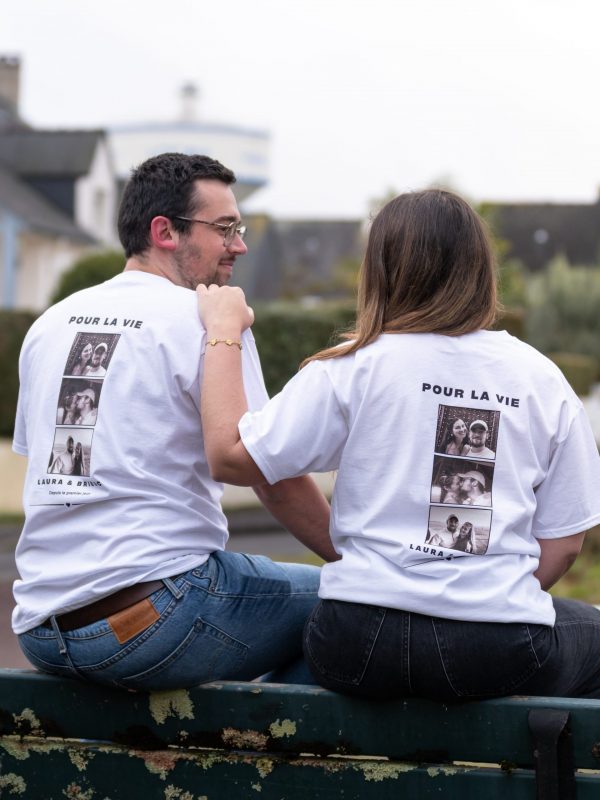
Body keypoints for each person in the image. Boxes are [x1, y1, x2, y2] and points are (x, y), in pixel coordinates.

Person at [196, 188, 600, 701]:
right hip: (495, 651)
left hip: (356, 642)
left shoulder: (351, 366)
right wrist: (485, 601)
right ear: (482, 269)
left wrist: (222, 331)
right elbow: (564, 543)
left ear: (380, 268)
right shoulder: (541, 379)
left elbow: (233, 458)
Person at [13, 152, 335, 692]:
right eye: (225, 228)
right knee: (350, 607)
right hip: (158, 618)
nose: (239, 245)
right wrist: (360, 562)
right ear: (164, 231)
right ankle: (265, 745)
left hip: (42, 627)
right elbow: (270, 476)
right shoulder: (210, 322)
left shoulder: (49, 324)